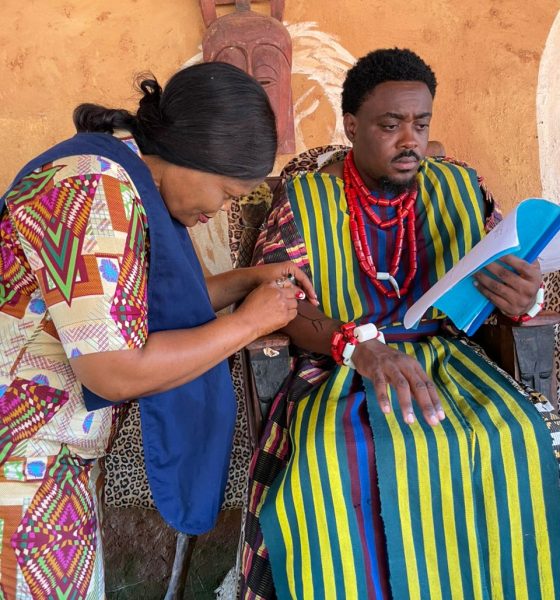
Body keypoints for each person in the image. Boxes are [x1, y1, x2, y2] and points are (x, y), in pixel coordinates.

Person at [241, 48, 560, 599]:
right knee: (334, 455)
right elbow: (281, 300)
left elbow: (501, 277)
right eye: (390, 125)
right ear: (351, 126)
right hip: (339, 363)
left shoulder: (462, 187)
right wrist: (354, 345)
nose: (409, 140)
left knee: (513, 435)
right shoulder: (304, 198)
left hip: (450, 358)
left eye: (421, 124)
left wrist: (523, 298)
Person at [0, 61, 318, 598]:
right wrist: (249, 323)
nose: (219, 211)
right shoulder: (94, 192)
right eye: (227, 193)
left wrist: (247, 281)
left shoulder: (119, 175)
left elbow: (121, 313)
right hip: (20, 459)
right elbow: (115, 370)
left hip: (46, 454)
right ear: (195, 156)